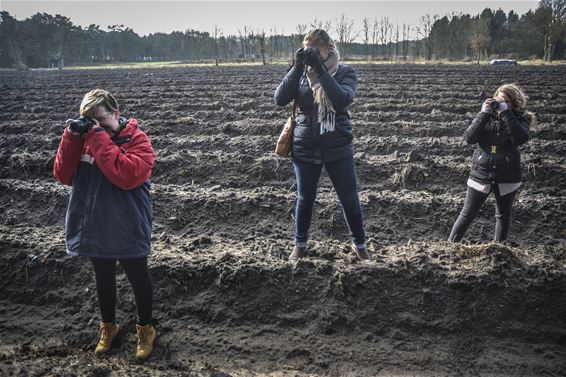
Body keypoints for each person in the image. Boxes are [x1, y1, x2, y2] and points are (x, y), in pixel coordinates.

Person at [53, 89, 157, 360]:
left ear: (116, 114)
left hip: (128, 223)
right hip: (96, 222)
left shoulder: (138, 140)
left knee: (138, 277)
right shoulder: (87, 140)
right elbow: (63, 175)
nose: (97, 127)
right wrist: (72, 139)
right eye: (90, 121)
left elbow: (124, 175)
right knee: (103, 278)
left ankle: (146, 328)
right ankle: (108, 327)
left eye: (101, 120)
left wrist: (97, 137)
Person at [274, 29, 370, 262]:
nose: (312, 54)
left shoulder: (346, 72)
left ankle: (360, 246)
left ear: (329, 48)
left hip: (338, 145)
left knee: (349, 199)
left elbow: (341, 99)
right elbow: (279, 99)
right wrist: (298, 67)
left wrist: (320, 70)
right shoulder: (301, 74)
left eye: (316, 50)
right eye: (308, 50)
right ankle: (300, 246)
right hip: (305, 145)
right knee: (305, 198)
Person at [448, 83, 535, 242]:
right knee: (467, 214)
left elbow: (520, 138)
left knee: (503, 216)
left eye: (505, 100)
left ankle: (499, 250)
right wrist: (483, 114)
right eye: (498, 98)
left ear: (513, 104)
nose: (499, 102)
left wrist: (506, 113)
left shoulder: (521, 118)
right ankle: (449, 247)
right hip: (481, 173)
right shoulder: (485, 116)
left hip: (507, 175)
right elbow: (469, 138)